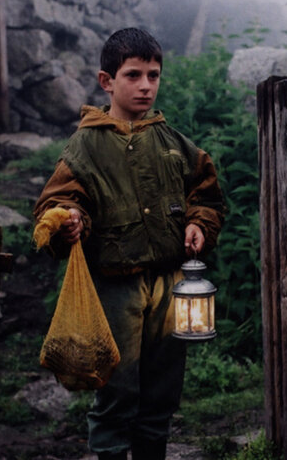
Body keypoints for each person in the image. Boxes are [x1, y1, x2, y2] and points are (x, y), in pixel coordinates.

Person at [33, 27, 225, 460]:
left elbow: (206, 193)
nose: (145, 86)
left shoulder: (172, 142)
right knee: (118, 388)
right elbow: (58, 200)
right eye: (133, 75)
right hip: (115, 287)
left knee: (162, 387)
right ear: (107, 81)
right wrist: (66, 221)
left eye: (153, 75)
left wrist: (199, 222)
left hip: (172, 284)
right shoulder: (86, 145)